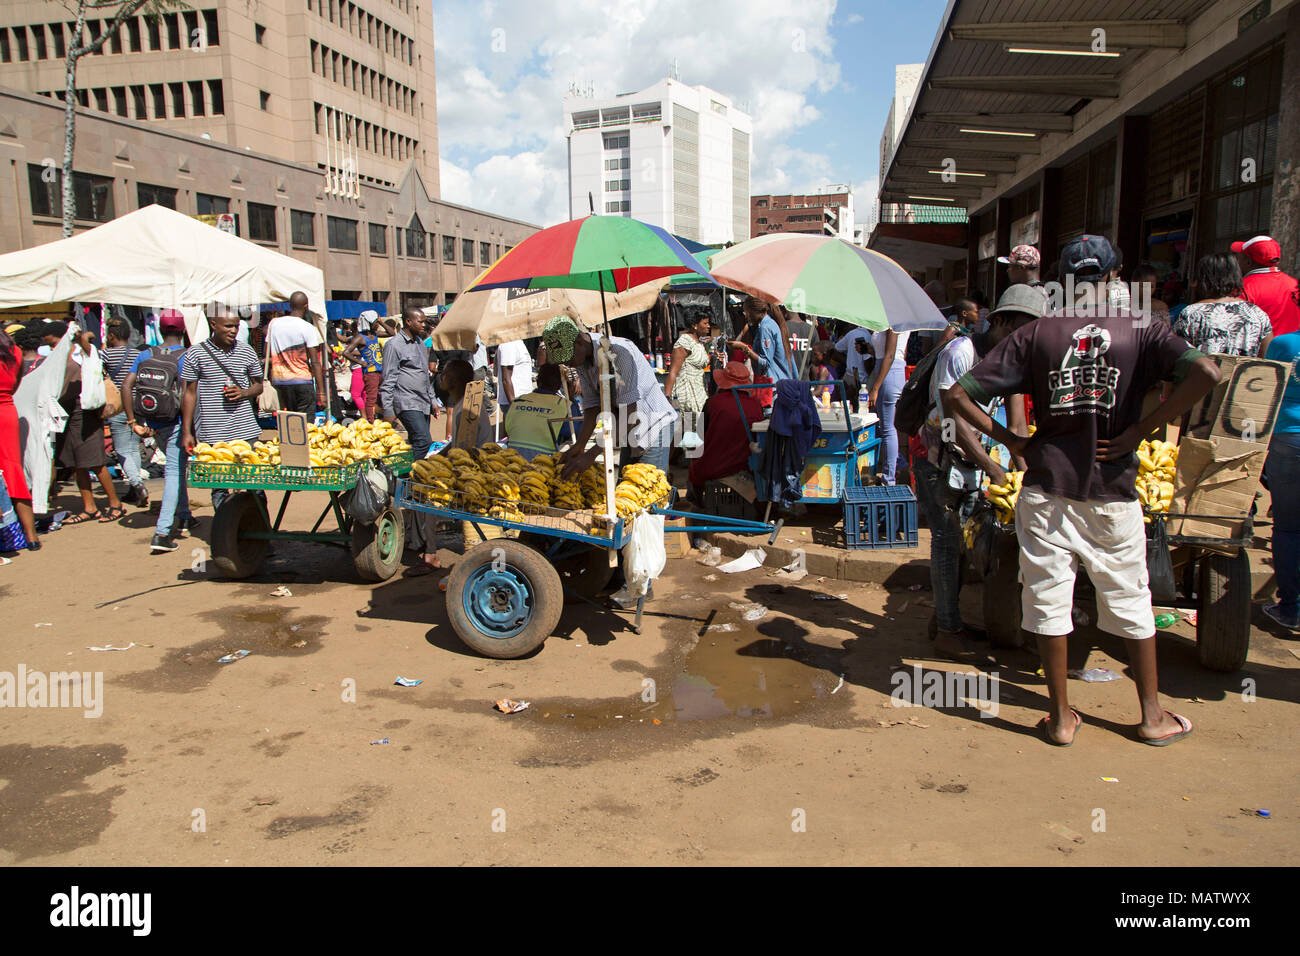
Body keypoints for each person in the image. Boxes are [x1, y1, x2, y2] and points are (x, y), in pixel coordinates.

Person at [947, 235, 1221, 747]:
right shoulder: (1144, 327)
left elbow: (956, 394)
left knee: (1048, 600)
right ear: (1115, 277)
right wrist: (1141, 430)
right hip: (1111, 490)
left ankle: (1059, 720)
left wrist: (1012, 441)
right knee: (1131, 599)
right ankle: (1151, 717)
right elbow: (1207, 371)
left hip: (1047, 488)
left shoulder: (1038, 332)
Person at [916, 284, 1045, 663]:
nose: (1024, 341)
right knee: (946, 540)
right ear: (999, 321)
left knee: (965, 543)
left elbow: (1018, 418)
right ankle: (948, 632)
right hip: (939, 457)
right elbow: (950, 419)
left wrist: (1020, 466)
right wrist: (992, 467)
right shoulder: (960, 353)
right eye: (1019, 331)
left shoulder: (1013, 359)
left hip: (972, 460)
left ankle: (943, 619)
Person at [541, 316, 678, 478]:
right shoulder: (582, 361)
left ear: (578, 341)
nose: (568, 365)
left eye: (568, 358)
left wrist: (591, 455)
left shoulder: (618, 353)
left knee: (649, 491)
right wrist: (580, 445)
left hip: (652, 425)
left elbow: (630, 414)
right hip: (628, 429)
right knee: (624, 490)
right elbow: (592, 407)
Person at [123, 309, 194, 553]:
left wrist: (133, 421)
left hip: (152, 423)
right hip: (175, 423)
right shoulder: (186, 356)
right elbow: (187, 394)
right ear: (183, 330)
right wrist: (188, 428)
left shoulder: (145, 354)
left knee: (177, 468)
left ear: (161, 329)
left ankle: (184, 514)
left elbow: (126, 385)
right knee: (174, 473)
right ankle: (162, 532)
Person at [181, 310, 265, 512]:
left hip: (245, 431)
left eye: (236, 326)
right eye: (228, 326)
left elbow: (259, 386)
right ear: (213, 325)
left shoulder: (246, 351)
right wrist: (187, 432)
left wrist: (244, 393)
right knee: (219, 487)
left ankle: (260, 531)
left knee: (256, 486)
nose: (233, 331)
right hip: (213, 432)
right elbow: (189, 394)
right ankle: (225, 533)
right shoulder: (196, 353)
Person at [58, 326, 126, 524]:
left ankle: (115, 504)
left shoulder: (84, 351)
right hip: (69, 412)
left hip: (87, 410)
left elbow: (90, 344)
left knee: (95, 462)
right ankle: (89, 507)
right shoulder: (61, 354)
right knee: (78, 463)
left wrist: (82, 339)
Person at [1262, 327, 1300, 631]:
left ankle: (1291, 610)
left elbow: (1264, 390)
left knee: (1288, 528)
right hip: (1287, 438)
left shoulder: (1283, 344)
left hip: (1287, 437)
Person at [688, 361, 764, 498]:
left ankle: (696, 497)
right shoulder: (756, 405)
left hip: (711, 466)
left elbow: (698, 436)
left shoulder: (713, 403)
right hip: (746, 466)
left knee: (690, 443)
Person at [1174, 253, 1273, 357]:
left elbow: (1179, 356)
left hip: (1206, 372)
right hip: (1246, 373)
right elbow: (1267, 356)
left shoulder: (1191, 313)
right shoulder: (1257, 313)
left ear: (1203, 279)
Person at [101, 318, 148, 509]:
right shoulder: (139, 354)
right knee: (133, 447)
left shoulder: (106, 355)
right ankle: (134, 488)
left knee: (121, 450)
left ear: (111, 336)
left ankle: (137, 484)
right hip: (137, 406)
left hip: (119, 407)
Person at [379, 307, 437, 460]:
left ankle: (413, 479)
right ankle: (410, 476)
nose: (424, 325)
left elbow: (424, 375)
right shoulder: (394, 345)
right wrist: (388, 410)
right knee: (423, 441)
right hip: (406, 401)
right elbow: (388, 379)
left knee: (418, 442)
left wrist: (433, 401)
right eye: (421, 322)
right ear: (409, 322)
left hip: (423, 402)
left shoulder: (420, 343)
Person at [0, 323, 39, 550]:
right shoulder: (13, 349)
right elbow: (15, 383)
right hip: (7, 411)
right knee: (14, 471)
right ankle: (31, 537)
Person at [264, 292, 326, 413]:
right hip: (302, 381)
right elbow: (315, 362)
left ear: (290, 305)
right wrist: (321, 392)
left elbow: (266, 351)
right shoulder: (308, 328)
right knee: (306, 423)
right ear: (306, 306)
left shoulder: (274, 323)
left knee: (287, 421)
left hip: (280, 381)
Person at [867, 325, 911, 484]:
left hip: (889, 372)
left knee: (887, 429)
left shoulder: (894, 322)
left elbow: (891, 354)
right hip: (889, 370)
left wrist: (876, 387)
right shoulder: (892, 321)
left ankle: (889, 478)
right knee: (885, 427)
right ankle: (893, 471)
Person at [1233, 235, 1300, 336]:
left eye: (1239, 258)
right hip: (1293, 350)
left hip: (1259, 350)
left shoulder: (1241, 289)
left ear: (1248, 261)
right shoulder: (1295, 285)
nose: (1237, 262)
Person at [503, 363, 572, 460]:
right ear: (559, 385)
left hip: (511, 460)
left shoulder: (517, 401)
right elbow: (576, 433)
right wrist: (571, 395)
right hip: (544, 463)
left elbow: (507, 432)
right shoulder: (565, 405)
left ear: (537, 380)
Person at [663, 312, 711, 439]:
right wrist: (667, 398)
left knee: (694, 432)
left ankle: (690, 458)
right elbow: (673, 371)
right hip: (686, 393)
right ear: (695, 325)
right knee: (685, 431)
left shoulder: (699, 343)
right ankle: (670, 458)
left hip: (699, 392)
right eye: (705, 323)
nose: (708, 326)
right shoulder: (684, 342)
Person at [728, 297, 794, 388]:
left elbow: (765, 363)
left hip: (773, 386)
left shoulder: (765, 328)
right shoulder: (769, 325)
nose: (745, 316)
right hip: (779, 384)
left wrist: (744, 348)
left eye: (746, 312)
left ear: (754, 311)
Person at [343, 315, 385, 421]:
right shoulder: (360, 338)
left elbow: (391, 333)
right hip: (370, 372)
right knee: (370, 399)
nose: (377, 324)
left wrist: (380, 322)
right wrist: (360, 362)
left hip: (380, 370)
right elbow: (346, 352)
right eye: (375, 322)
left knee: (376, 397)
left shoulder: (375, 335)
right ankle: (370, 422)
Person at [494, 339, 534, 413]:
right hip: (516, 402)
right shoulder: (509, 344)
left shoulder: (518, 343)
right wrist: (514, 405)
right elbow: (506, 379)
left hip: (523, 400)